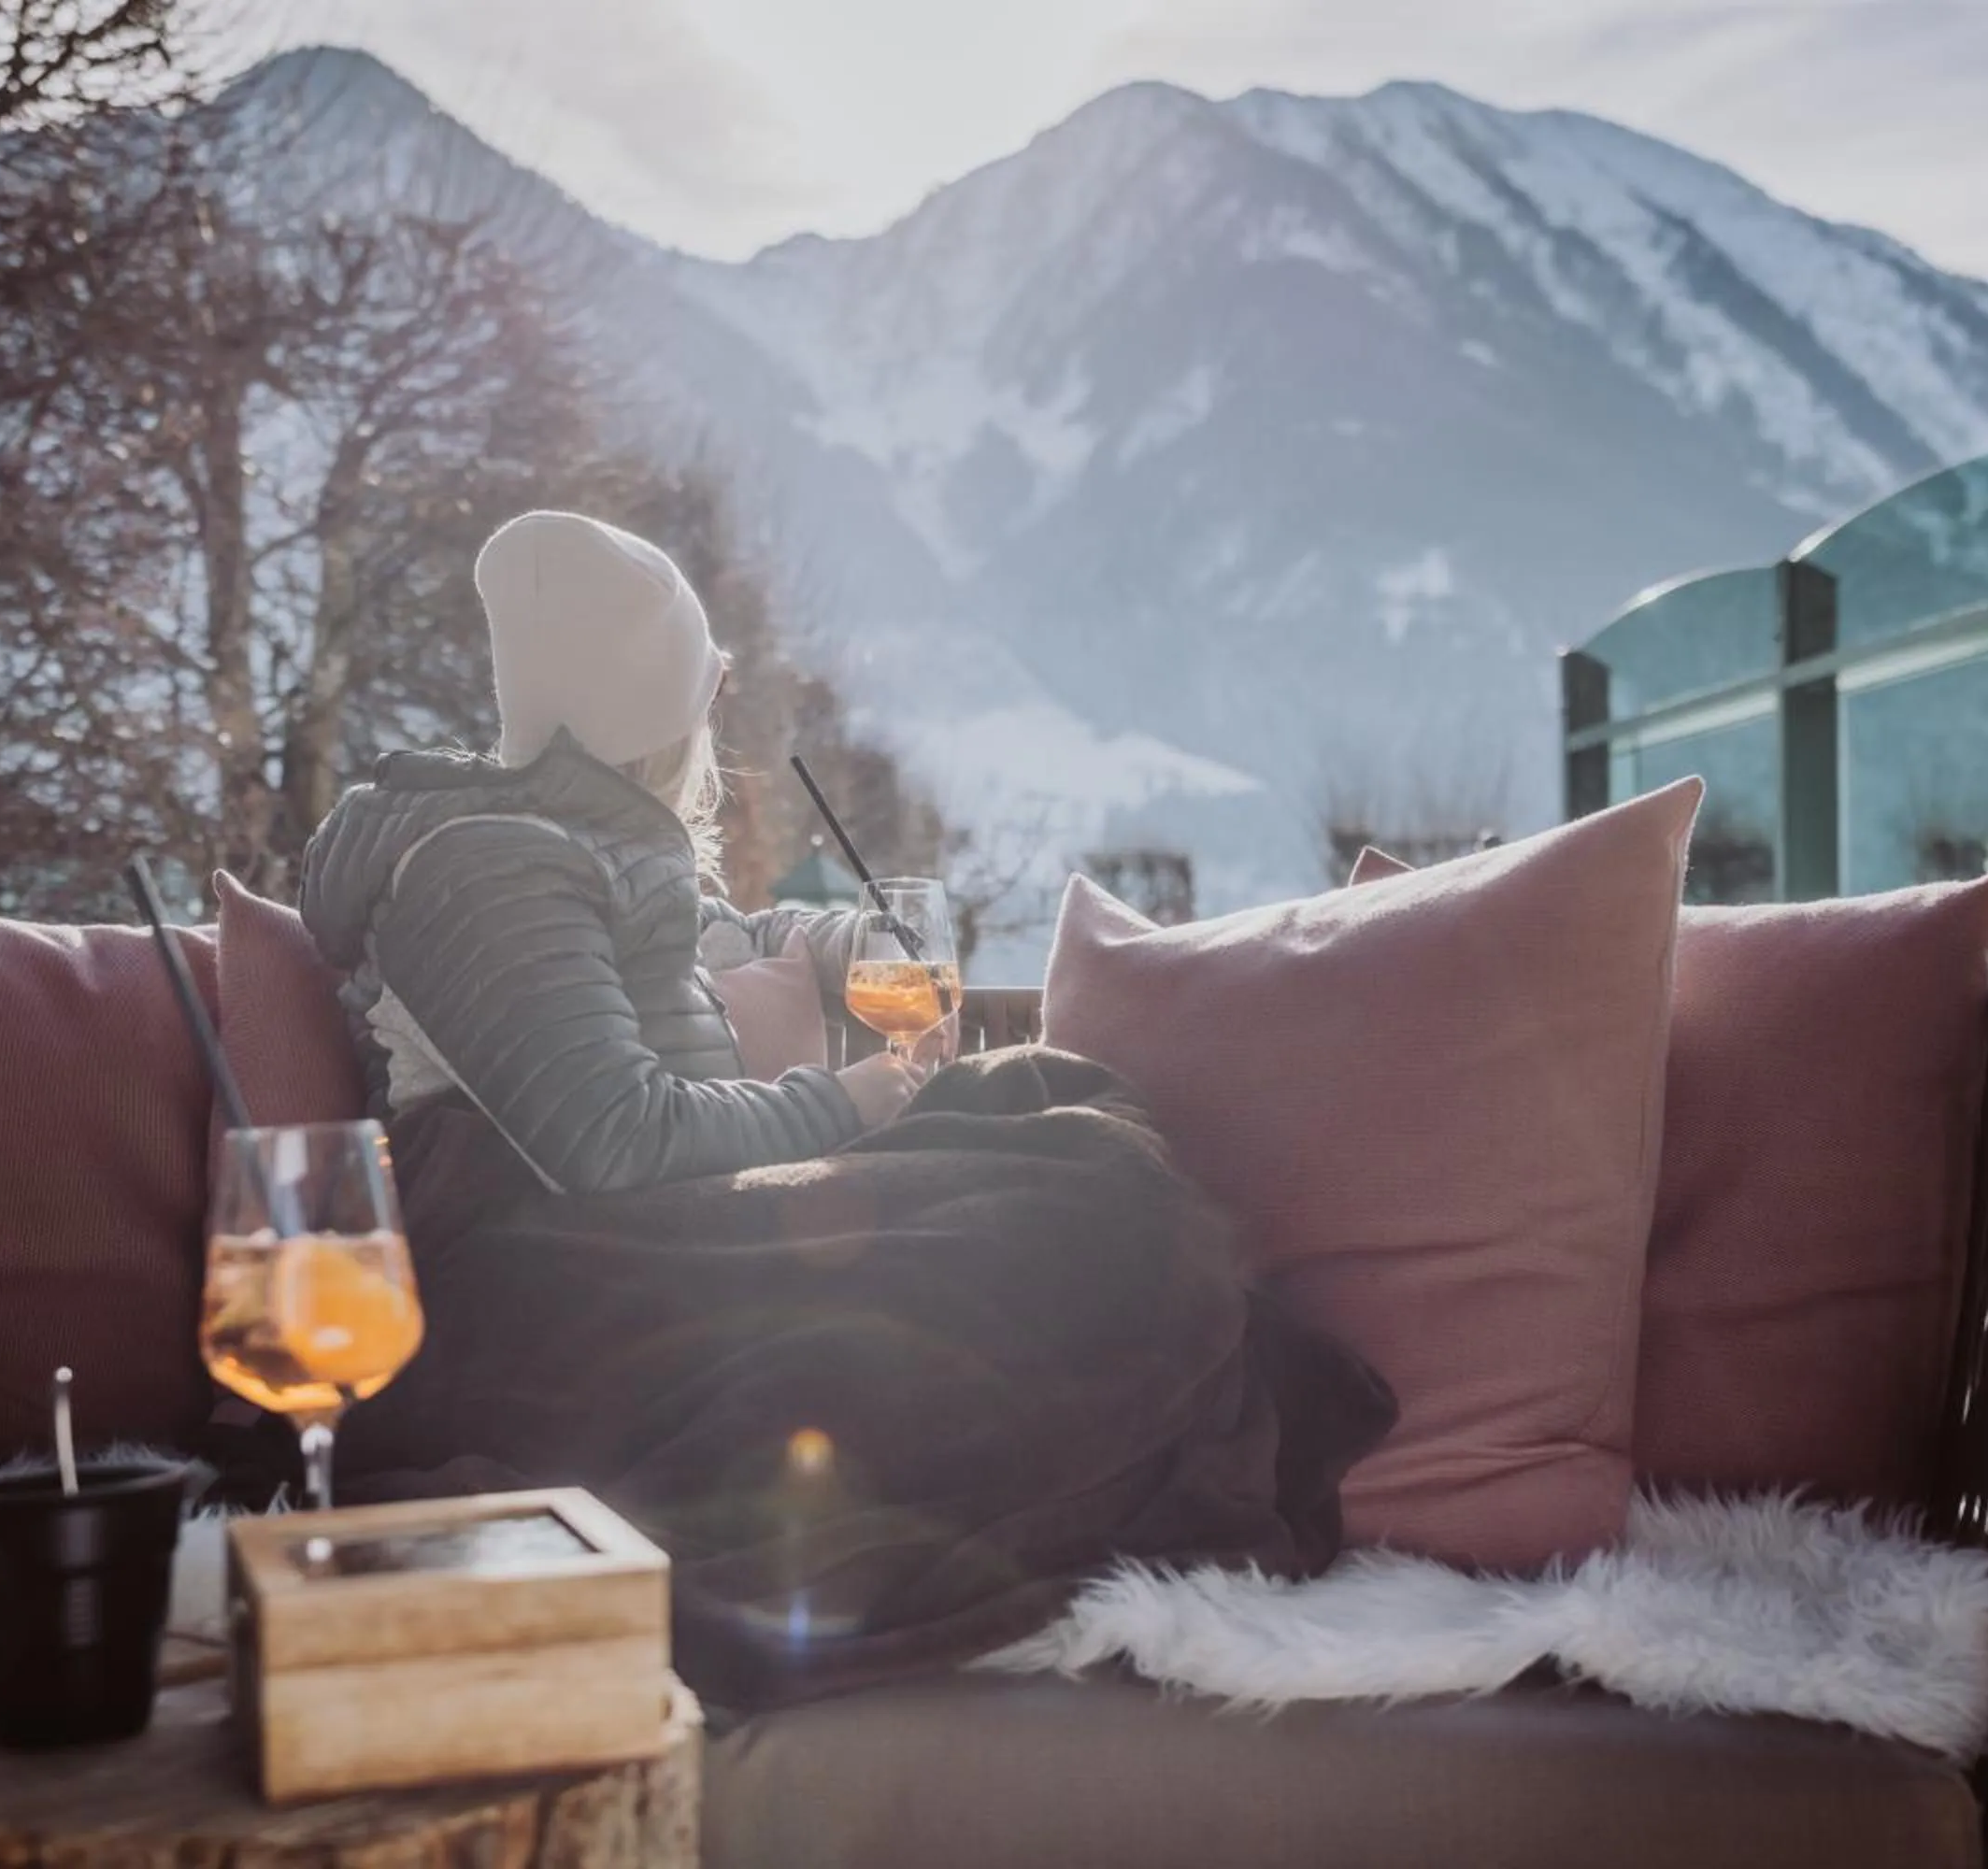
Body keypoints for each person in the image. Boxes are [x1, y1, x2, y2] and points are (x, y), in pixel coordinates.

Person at [301, 510, 1393, 1712]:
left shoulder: (564, 834)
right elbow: (611, 1139)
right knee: (1079, 1199)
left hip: (657, 1219)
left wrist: (833, 943)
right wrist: (851, 1100)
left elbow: (686, 944)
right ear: (653, 702)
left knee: (1052, 1105)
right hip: (546, 1267)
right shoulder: (487, 865)